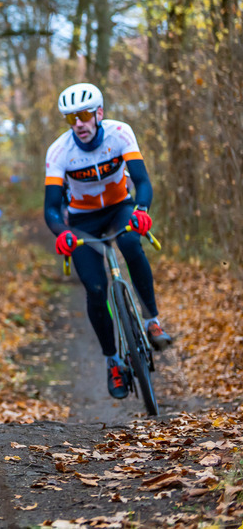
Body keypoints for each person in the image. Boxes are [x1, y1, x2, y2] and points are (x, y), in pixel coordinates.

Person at [44, 82, 173, 399]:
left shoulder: (120, 133)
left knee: (130, 244)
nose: (78, 123)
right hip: (83, 222)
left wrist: (141, 210)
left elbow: (142, 181)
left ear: (98, 113)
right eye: (70, 118)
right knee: (96, 288)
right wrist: (63, 234)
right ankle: (113, 361)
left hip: (119, 208)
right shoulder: (59, 151)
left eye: (84, 115)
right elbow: (49, 208)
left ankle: (152, 321)